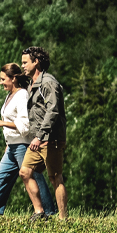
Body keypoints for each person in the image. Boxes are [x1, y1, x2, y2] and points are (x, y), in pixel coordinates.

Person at [0, 63, 57, 225]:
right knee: (0, 177)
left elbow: (25, 125)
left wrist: (3, 123)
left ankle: (48, 213)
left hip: (23, 145)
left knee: (34, 177)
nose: (0, 82)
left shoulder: (21, 95)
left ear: (13, 78)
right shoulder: (10, 95)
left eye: (3, 79)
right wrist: (8, 144)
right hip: (13, 146)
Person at [18, 45, 68, 221]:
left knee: (55, 178)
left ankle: (63, 219)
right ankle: (40, 213)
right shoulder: (32, 83)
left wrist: (40, 136)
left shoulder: (48, 83)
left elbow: (52, 111)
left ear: (36, 61)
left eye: (25, 62)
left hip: (50, 138)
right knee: (25, 172)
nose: (22, 65)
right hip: (37, 140)